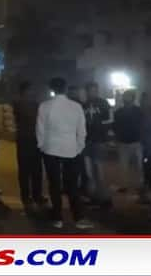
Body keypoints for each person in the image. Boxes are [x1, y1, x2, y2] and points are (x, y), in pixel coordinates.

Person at [37, 77, 93, 229]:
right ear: (66, 89)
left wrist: (42, 146)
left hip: (50, 148)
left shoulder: (45, 106)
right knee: (72, 185)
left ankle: (57, 218)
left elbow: (40, 129)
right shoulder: (76, 107)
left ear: (52, 90)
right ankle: (78, 218)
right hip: (71, 149)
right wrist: (79, 147)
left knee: (54, 184)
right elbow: (82, 130)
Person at [12, 81, 46, 210]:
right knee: (25, 170)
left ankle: (37, 195)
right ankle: (26, 196)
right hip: (24, 140)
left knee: (37, 170)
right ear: (24, 91)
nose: (32, 92)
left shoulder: (37, 104)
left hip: (36, 140)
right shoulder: (18, 104)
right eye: (30, 90)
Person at [82, 82, 113, 207]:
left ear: (97, 90)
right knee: (89, 172)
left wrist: (101, 128)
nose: (92, 92)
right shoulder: (83, 105)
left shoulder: (104, 103)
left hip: (99, 141)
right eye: (90, 90)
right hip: (87, 142)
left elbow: (111, 120)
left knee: (99, 172)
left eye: (94, 90)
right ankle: (94, 197)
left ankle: (105, 199)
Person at [113, 90, 145, 197]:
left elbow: (142, 126)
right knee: (123, 166)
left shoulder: (139, 111)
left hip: (136, 142)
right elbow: (115, 127)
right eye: (124, 96)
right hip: (123, 142)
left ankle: (140, 185)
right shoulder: (119, 112)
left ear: (133, 98)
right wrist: (117, 138)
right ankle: (124, 185)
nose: (125, 98)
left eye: (128, 96)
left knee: (139, 166)